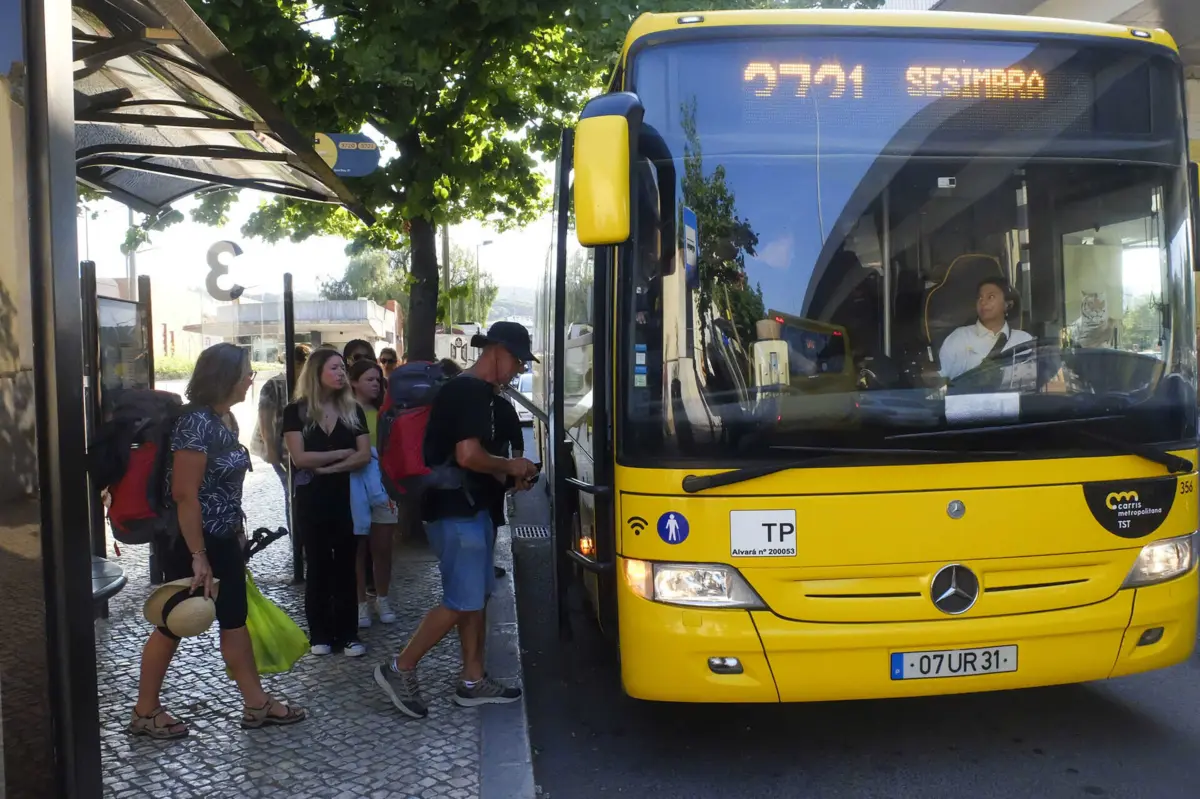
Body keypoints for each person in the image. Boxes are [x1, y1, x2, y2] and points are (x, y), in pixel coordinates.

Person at [130, 343, 306, 738]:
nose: (250, 380)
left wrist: (237, 534)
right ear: (225, 378)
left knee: (233, 620)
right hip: (192, 540)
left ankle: (256, 703)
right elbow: (184, 494)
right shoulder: (196, 423)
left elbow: (225, 488)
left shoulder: (224, 419)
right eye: (246, 373)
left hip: (222, 538)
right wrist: (198, 556)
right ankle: (145, 711)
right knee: (173, 623)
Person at [374, 322, 539, 718]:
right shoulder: (468, 391)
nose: (518, 370)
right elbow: (468, 456)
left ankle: (472, 679)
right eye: (517, 361)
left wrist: (506, 476)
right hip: (455, 511)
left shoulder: (475, 392)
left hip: (468, 507)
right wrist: (512, 465)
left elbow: (467, 459)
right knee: (461, 600)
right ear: (497, 351)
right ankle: (400, 667)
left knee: (474, 597)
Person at [283, 348, 372, 657]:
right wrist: (341, 454)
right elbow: (300, 458)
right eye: (334, 368)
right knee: (318, 565)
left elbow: (364, 455)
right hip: (311, 499)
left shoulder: (353, 409)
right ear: (317, 372)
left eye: (342, 368)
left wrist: (329, 468)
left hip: (347, 496)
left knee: (346, 566)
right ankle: (319, 634)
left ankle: (348, 634)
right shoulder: (296, 411)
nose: (341, 373)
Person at [348, 359, 398, 627]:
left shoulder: (385, 414)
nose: (376, 384)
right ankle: (360, 604)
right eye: (369, 379)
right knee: (357, 548)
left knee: (383, 547)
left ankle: (383, 598)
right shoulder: (345, 412)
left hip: (383, 485)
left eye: (378, 380)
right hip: (355, 484)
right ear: (354, 382)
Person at [252, 343, 311, 522]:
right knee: (291, 492)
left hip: (303, 449)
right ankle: (295, 531)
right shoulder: (274, 385)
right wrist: (271, 450)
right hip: (283, 449)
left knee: (300, 493)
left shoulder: (308, 384)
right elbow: (265, 420)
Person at [938, 277, 1033, 381]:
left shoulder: (1023, 340)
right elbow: (939, 380)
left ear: (1007, 304)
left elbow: (1033, 380)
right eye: (980, 298)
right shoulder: (959, 338)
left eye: (990, 297)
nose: (983, 302)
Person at [489, 383, 525, 579]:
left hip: (470, 472)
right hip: (497, 473)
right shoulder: (504, 407)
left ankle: (482, 564)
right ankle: (487, 564)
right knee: (492, 519)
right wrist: (516, 474)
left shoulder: (468, 406)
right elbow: (517, 441)